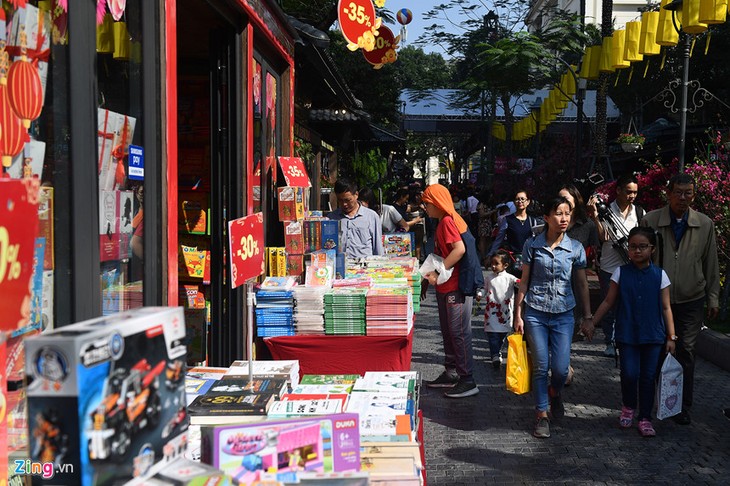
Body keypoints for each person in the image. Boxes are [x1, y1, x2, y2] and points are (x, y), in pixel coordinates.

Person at [641, 173, 720, 426]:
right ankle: (659, 400)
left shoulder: (704, 224)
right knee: (658, 349)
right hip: (657, 298)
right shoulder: (651, 220)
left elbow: (711, 262)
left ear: (694, 195)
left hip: (691, 299)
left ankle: (681, 406)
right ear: (669, 194)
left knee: (686, 351)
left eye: (688, 193)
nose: (683, 198)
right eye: (678, 192)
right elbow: (640, 259)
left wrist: (713, 297)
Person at [513, 196, 592, 438]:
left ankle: (554, 393)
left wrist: (588, 316)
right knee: (541, 366)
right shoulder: (532, 245)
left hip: (563, 315)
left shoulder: (576, 248)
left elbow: (581, 283)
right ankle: (541, 415)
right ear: (546, 218)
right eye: (558, 213)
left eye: (567, 213)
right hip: (535, 313)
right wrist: (518, 314)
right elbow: (523, 282)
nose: (564, 218)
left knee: (560, 370)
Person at [585, 227, 676, 437]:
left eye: (642, 247)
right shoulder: (621, 272)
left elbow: (666, 307)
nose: (637, 251)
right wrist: (592, 322)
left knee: (647, 377)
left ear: (651, 249)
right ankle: (628, 407)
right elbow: (608, 301)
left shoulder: (660, 275)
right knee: (629, 374)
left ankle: (645, 417)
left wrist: (672, 336)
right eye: (633, 246)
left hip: (653, 335)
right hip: (627, 334)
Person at [420, 183, 479, 398]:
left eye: (427, 203)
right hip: (448, 286)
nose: (425, 207)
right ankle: (452, 372)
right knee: (450, 331)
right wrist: (430, 277)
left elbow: (459, 250)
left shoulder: (446, 221)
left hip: (455, 287)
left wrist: (437, 272)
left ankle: (467, 379)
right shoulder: (448, 220)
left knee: (458, 333)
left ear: (436, 203)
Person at [587, 174, 643, 358]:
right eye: (628, 192)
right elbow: (603, 237)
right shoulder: (606, 210)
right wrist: (595, 216)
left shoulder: (640, 213)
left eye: (634, 192)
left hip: (631, 266)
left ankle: (625, 338)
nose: (632, 196)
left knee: (629, 304)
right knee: (609, 305)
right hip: (609, 267)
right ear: (618, 191)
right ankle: (609, 341)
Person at [558, 184, 599, 385]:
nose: (563, 203)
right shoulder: (552, 223)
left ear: (576, 201)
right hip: (555, 282)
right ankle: (562, 365)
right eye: (560, 199)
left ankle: (564, 364)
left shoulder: (587, 225)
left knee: (570, 327)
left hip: (576, 280)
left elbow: (596, 247)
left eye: (567, 199)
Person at [327, 179, 384, 258]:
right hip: (340, 266)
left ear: (356, 195)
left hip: (364, 267)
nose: (344, 204)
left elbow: (378, 247)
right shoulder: (331, 218)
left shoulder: (371, 216)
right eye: (340, 200)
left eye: (348, 200)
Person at [490, 190, 540, 277]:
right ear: (514, 202)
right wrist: (491, 254)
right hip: (513, 260)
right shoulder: (508, 220)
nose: (519, 201)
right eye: (517, 199)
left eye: (522, 199)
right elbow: (499, 238)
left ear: (528, 202)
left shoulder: (533, 221)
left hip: (529, 259)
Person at [484, 249, 518, 369]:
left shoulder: (509, 278)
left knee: (502, 335)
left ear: (505, 265)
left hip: (505, 312)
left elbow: (518, 283)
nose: (493, 266)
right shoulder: (489, 278)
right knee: (492, 335)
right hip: (492, 312)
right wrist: (479, 294)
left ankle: (497, 351)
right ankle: (495, 354)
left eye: (496, 263)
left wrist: (520, 282)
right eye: (492, 263)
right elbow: (484, 289)